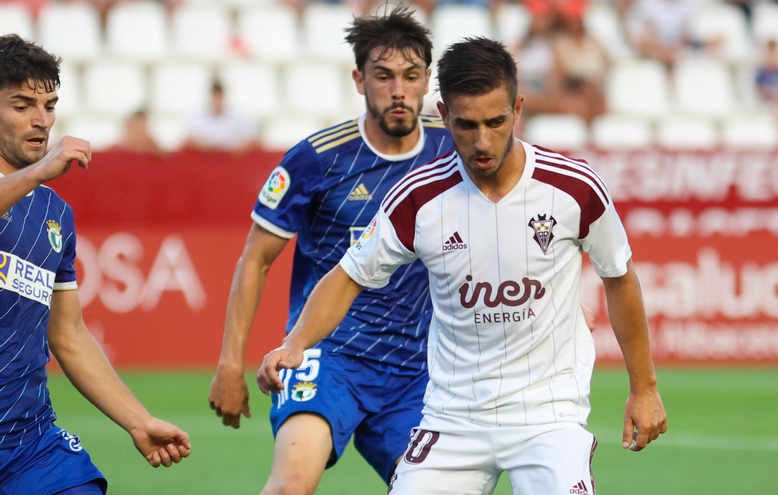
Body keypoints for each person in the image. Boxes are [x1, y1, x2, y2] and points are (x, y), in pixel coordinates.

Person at [257, 37, 667, 495]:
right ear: (444, 113)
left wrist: (644, 387)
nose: (483, 142)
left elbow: (619, 277)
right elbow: (349, 276)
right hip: (453, 418)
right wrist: (295, 344)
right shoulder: (418, 198)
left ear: (518, 107)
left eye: (496, 121)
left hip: (548, 416)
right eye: (467, 125)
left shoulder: (574, 187)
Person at [207, 6, 453, 495]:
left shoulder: (456, 152)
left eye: (410, 76)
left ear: (428, 81)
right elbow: (255, 259)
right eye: (384, 76)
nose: (398, 90)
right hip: (326, 357)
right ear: (360, 80)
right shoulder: (318, 159)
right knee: (291, 485)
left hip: (419, 372)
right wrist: (230, 364)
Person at [0, 34, 190, 495]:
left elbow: (69, 334)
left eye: (49, 106)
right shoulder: (34, 182)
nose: (41, 121)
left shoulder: (53, 214)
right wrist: (35, 175)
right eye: (22, 105)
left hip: (29, 445)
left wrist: (138, 421)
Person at [181, 80, 258, 153]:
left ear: (224, 97)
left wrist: (237, 149)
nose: (217, 101)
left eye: (219, 97)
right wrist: (207, 148)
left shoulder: (238, 116)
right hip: (205, 160)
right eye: (215, 97)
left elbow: (252, 139)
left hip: (231, 161)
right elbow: (187, 140)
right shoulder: (197, 116)